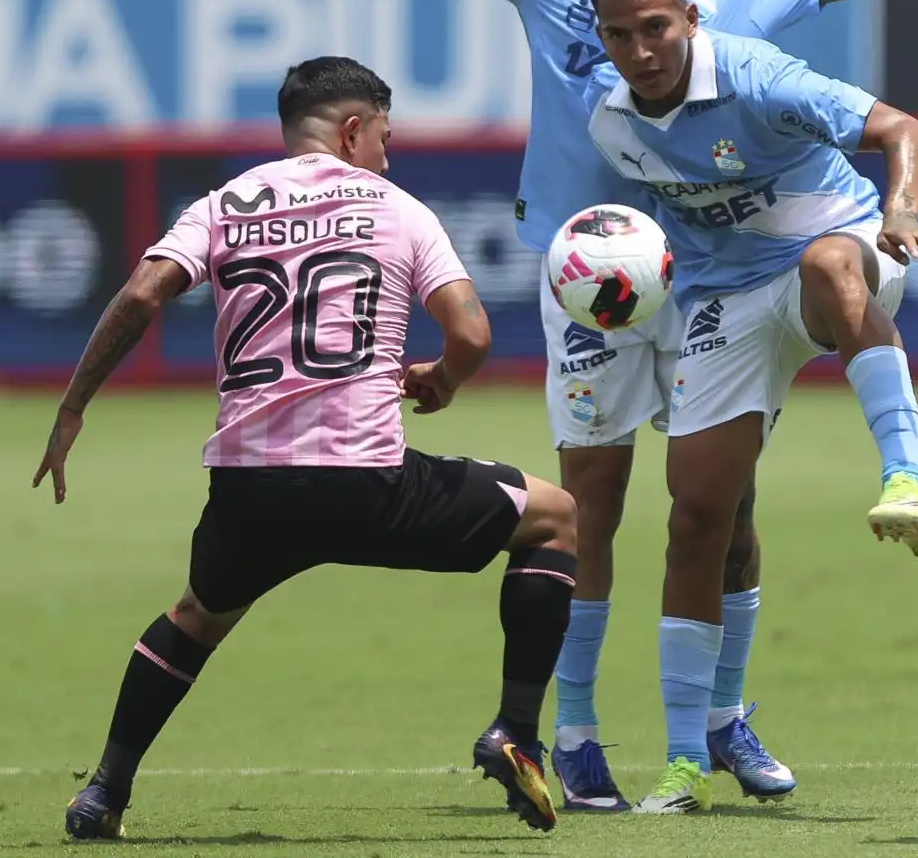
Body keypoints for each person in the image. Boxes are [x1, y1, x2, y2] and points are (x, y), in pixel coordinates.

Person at [384, 0, 918, 810]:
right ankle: (576, 733)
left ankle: (720, 721)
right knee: (591, 495)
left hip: (717, 269)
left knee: (721, 509)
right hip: (597, 271)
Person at [34, 57, 579, 839]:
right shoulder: (400, 210)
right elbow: (471, 333)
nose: (386, 156)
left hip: (249, 488)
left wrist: (74, 405)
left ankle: (103, 794)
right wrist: (442, 380)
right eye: (384, 137)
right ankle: (515, 732)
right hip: (367, 481)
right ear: (353, 131)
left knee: (195, 616)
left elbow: (143, 292)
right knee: (555, 516)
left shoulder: (224, 203)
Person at [573, 0, 918, 812]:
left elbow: (905, 130)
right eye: (620, 35)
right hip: (725, 301)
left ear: (690, 17)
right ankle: (686, 757)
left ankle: (907, 477)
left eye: (656, 27)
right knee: (700, 517)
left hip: (849, 249)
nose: (641, 50)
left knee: (826, 264)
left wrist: (900, 209)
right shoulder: (610, 124)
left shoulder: (755, 74)